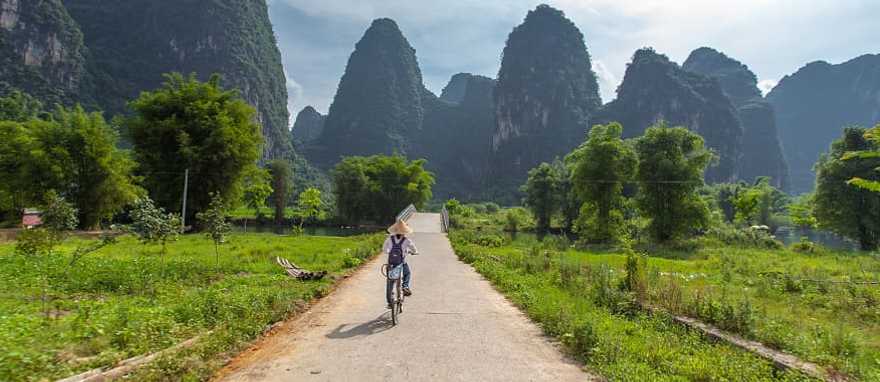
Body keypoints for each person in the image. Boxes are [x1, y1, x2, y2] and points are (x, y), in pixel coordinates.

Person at [384, 219, 418, 308]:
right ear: (405, 231)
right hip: (401, 263)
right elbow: (414, 249)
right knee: (407, 273)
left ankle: (389, 302)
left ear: (395, 230)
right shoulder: (407, 240)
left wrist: (389, 252)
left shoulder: (389, 238)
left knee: (390, 282)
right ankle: (405, 286)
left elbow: (384, 249)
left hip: (391, 264)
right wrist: (414, 252)